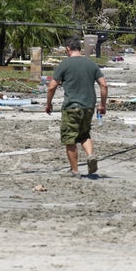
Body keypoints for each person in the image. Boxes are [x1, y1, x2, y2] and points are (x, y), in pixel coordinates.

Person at [45, 36, 108, 177]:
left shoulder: (65, 64)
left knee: (70, 138)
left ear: (68, 49)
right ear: (80, 48)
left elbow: (51, 87)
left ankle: (74, 170)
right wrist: (102, 105)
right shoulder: (91, 64)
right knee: (84, 134)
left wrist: (48, 104)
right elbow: (104, 84)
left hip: (71, 107)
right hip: (89, 107)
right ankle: (90, 155)